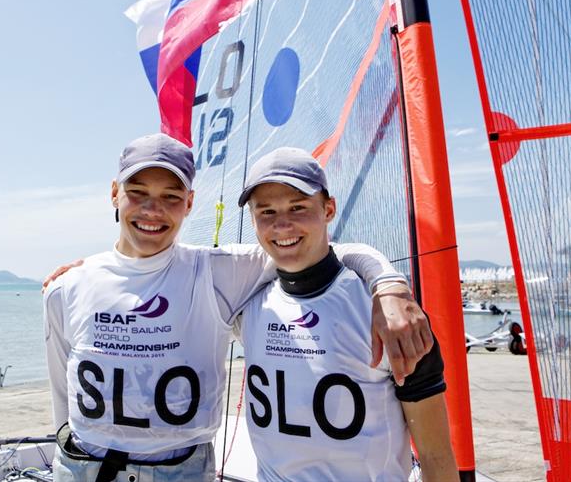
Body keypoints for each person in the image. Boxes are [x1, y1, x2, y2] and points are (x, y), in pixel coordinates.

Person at [43, 133, 432, 482]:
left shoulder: (217, 271)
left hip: (182, 471)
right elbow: (62, 394)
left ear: (190, 203)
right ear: (114, 193)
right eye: (138, 192)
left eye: (171, 197)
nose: (152, 210)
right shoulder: (68, 286)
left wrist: (388, 283)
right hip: (82, 468)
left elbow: (317, 250)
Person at [235, 147, 458, 481]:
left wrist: (387, 282)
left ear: (329, 209)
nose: (282, 225)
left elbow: (435, 455)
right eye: (266, 212)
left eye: (298, 207)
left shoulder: (389, 317)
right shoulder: (247, 302)